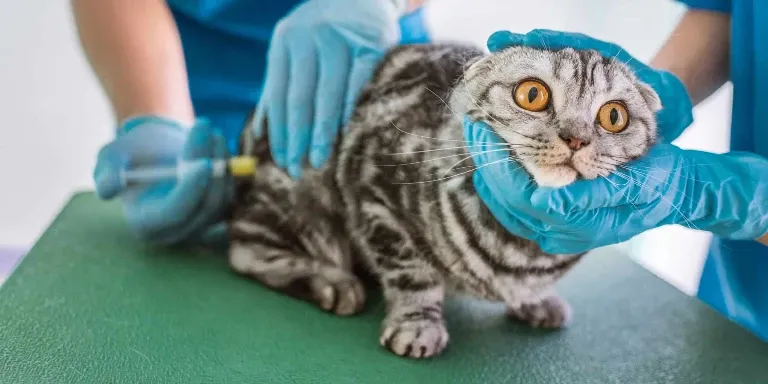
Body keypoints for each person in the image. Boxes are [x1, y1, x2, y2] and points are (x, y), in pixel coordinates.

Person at [464, 2, 768, 340]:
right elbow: (729, 9)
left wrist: (725, 197)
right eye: (533, 96)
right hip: (730, 312)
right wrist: (652, 99)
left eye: (610, 116)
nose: (575, 140)